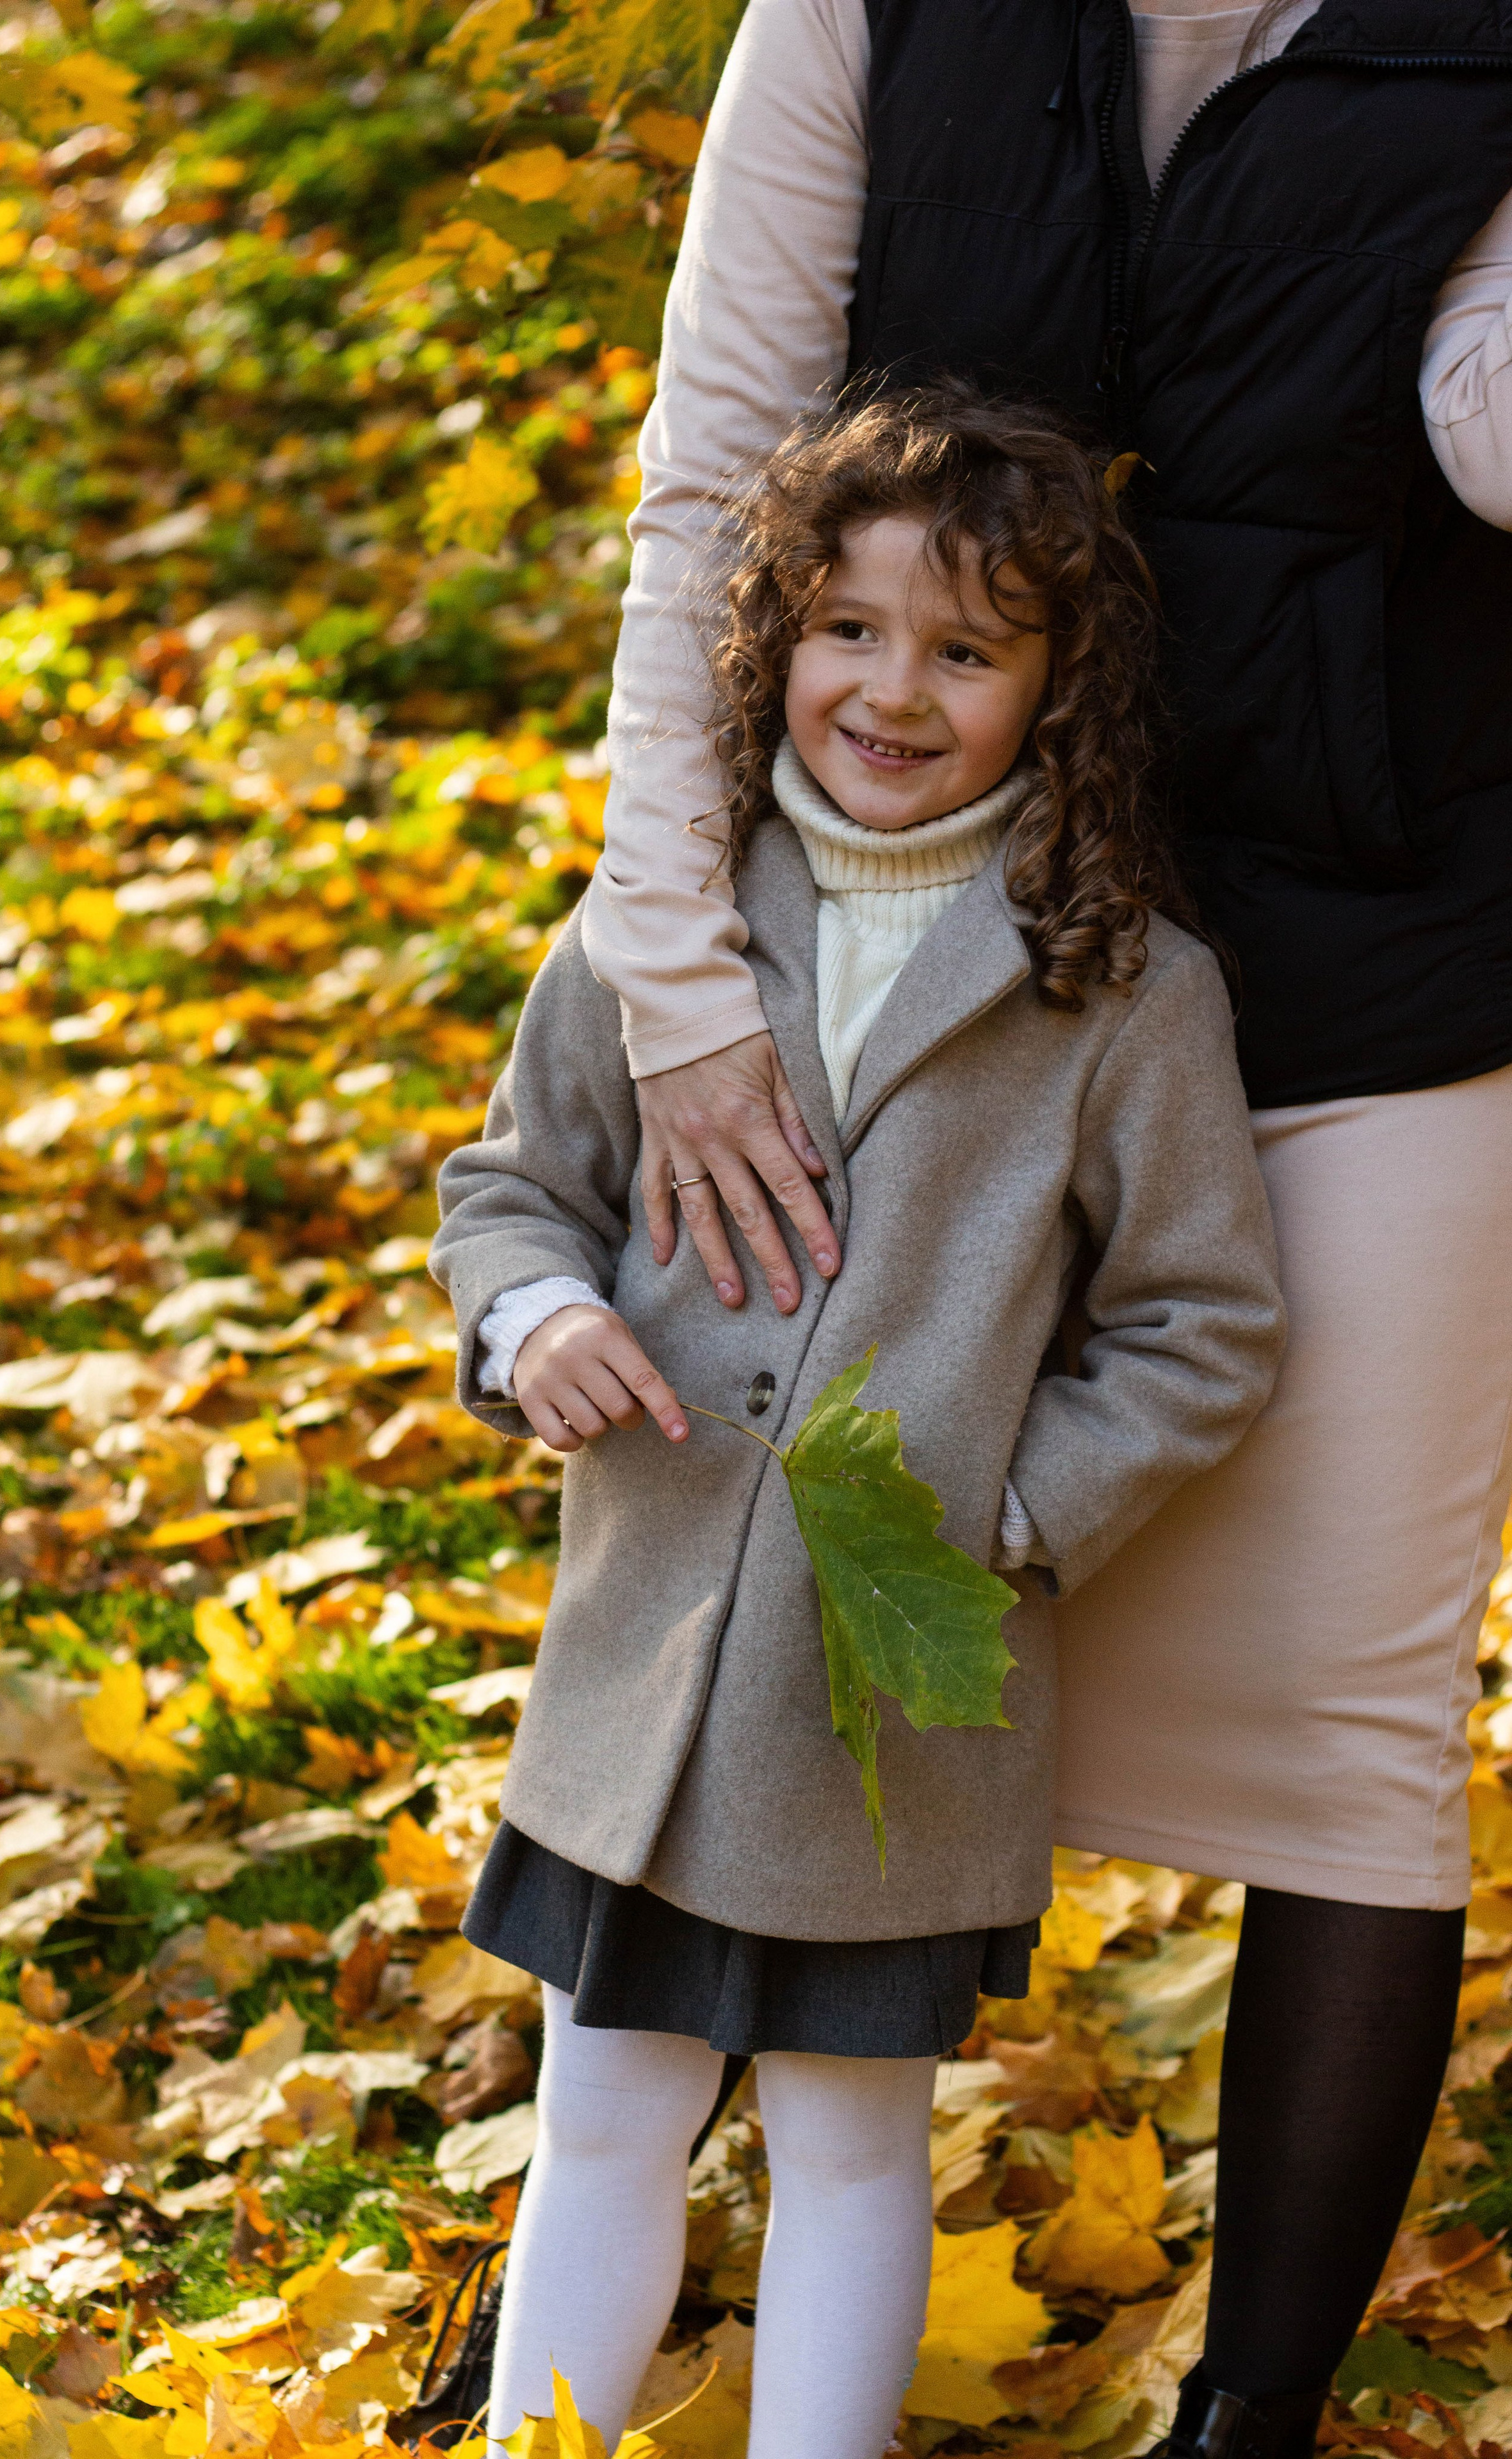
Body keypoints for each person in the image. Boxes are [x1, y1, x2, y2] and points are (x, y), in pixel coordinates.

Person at [578, 1, 1512, 2447]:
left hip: (1381, 948)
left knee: (1353, 1729)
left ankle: (1252, 2427)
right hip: (902, 952)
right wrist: (684, 976)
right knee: (730, 1601)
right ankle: (564, 2294)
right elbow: (718, 487)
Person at [430, 387, 1286, 2459]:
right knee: (608, 2103)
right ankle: (544, 2438)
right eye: (849, 630)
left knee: (844, 2144)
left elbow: (1206, 1322)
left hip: (891, 1714)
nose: (894, 690)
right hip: (641, 1656)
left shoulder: (1123, 991)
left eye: (968, 649)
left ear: (1054, 694)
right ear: (775, 642)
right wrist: (533, 1311)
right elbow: (511, 1182)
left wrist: (999, 1515)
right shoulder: (671, 915)